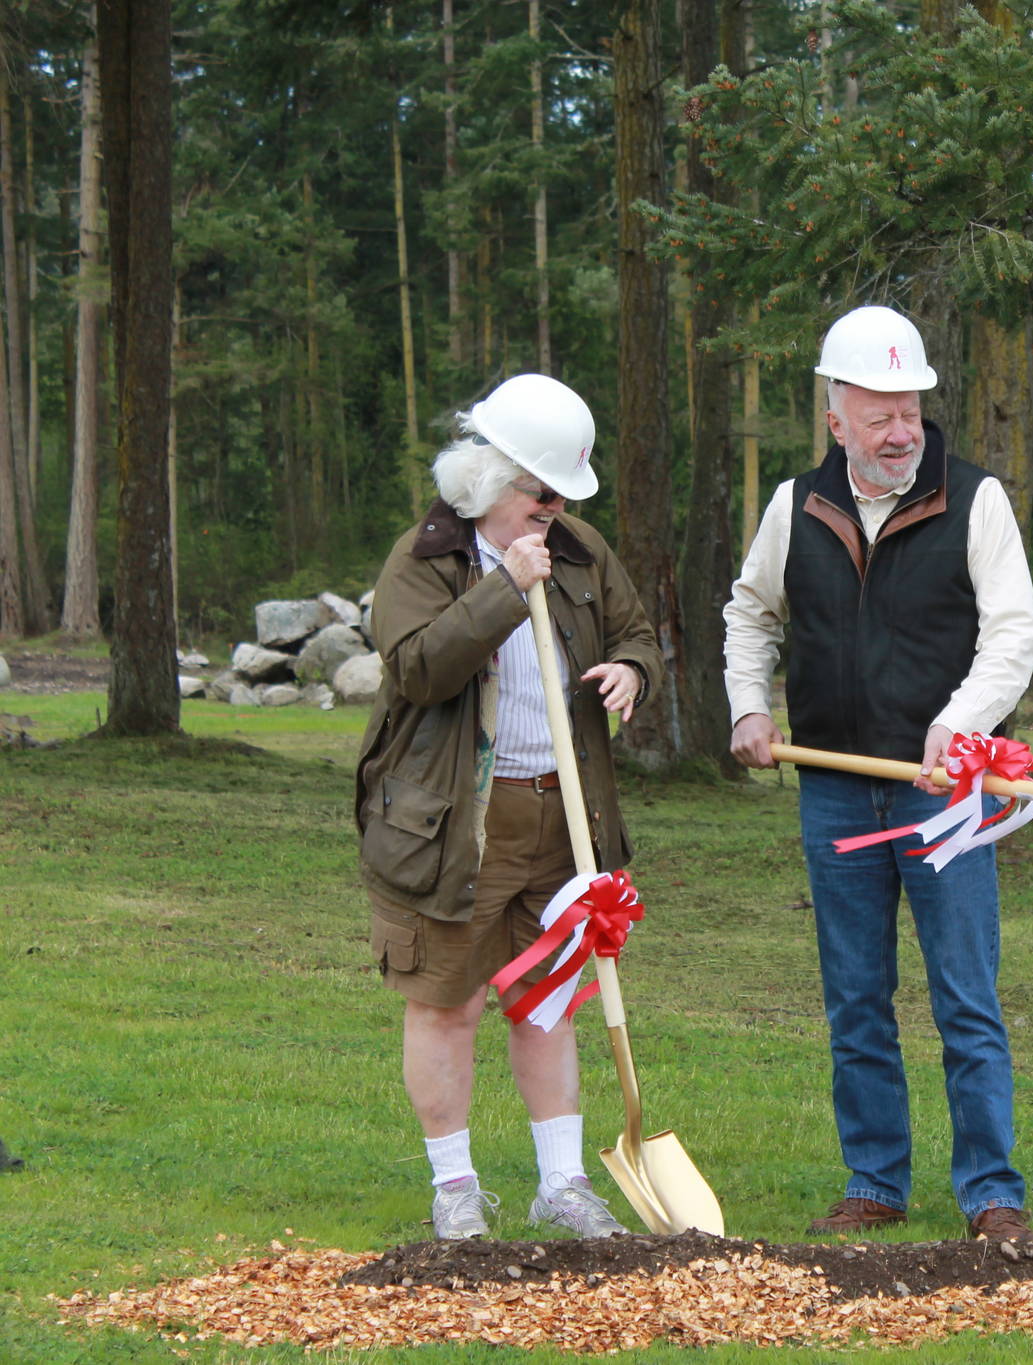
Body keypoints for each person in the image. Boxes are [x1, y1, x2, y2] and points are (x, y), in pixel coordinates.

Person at [724, 305, 1033, 1241]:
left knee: (965, 998)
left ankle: (993, 1193)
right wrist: (749, 704)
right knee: (856, 997)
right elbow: (750, 613)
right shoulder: (795, 505)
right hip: (832, 788)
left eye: (910, 411)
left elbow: (1014, 633)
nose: (901, 432)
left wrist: (959, 723)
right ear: (836, 419)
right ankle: (876, 1182)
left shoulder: (975, 499)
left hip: (943, 792)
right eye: (879, 417)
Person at [356, 373, 660, 1241]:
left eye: (565, 493)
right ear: (490, 480)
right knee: (447, 1000)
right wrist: (500, 592)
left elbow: (638, 630)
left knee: (549, 998)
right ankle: (455, 1186)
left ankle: (561, 1182)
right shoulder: (426, 559)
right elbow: (416, 668)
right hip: (455, 824)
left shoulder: (579, 547)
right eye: (541, 491)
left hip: (563, 818)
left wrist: (633, 669)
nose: (554, 508)